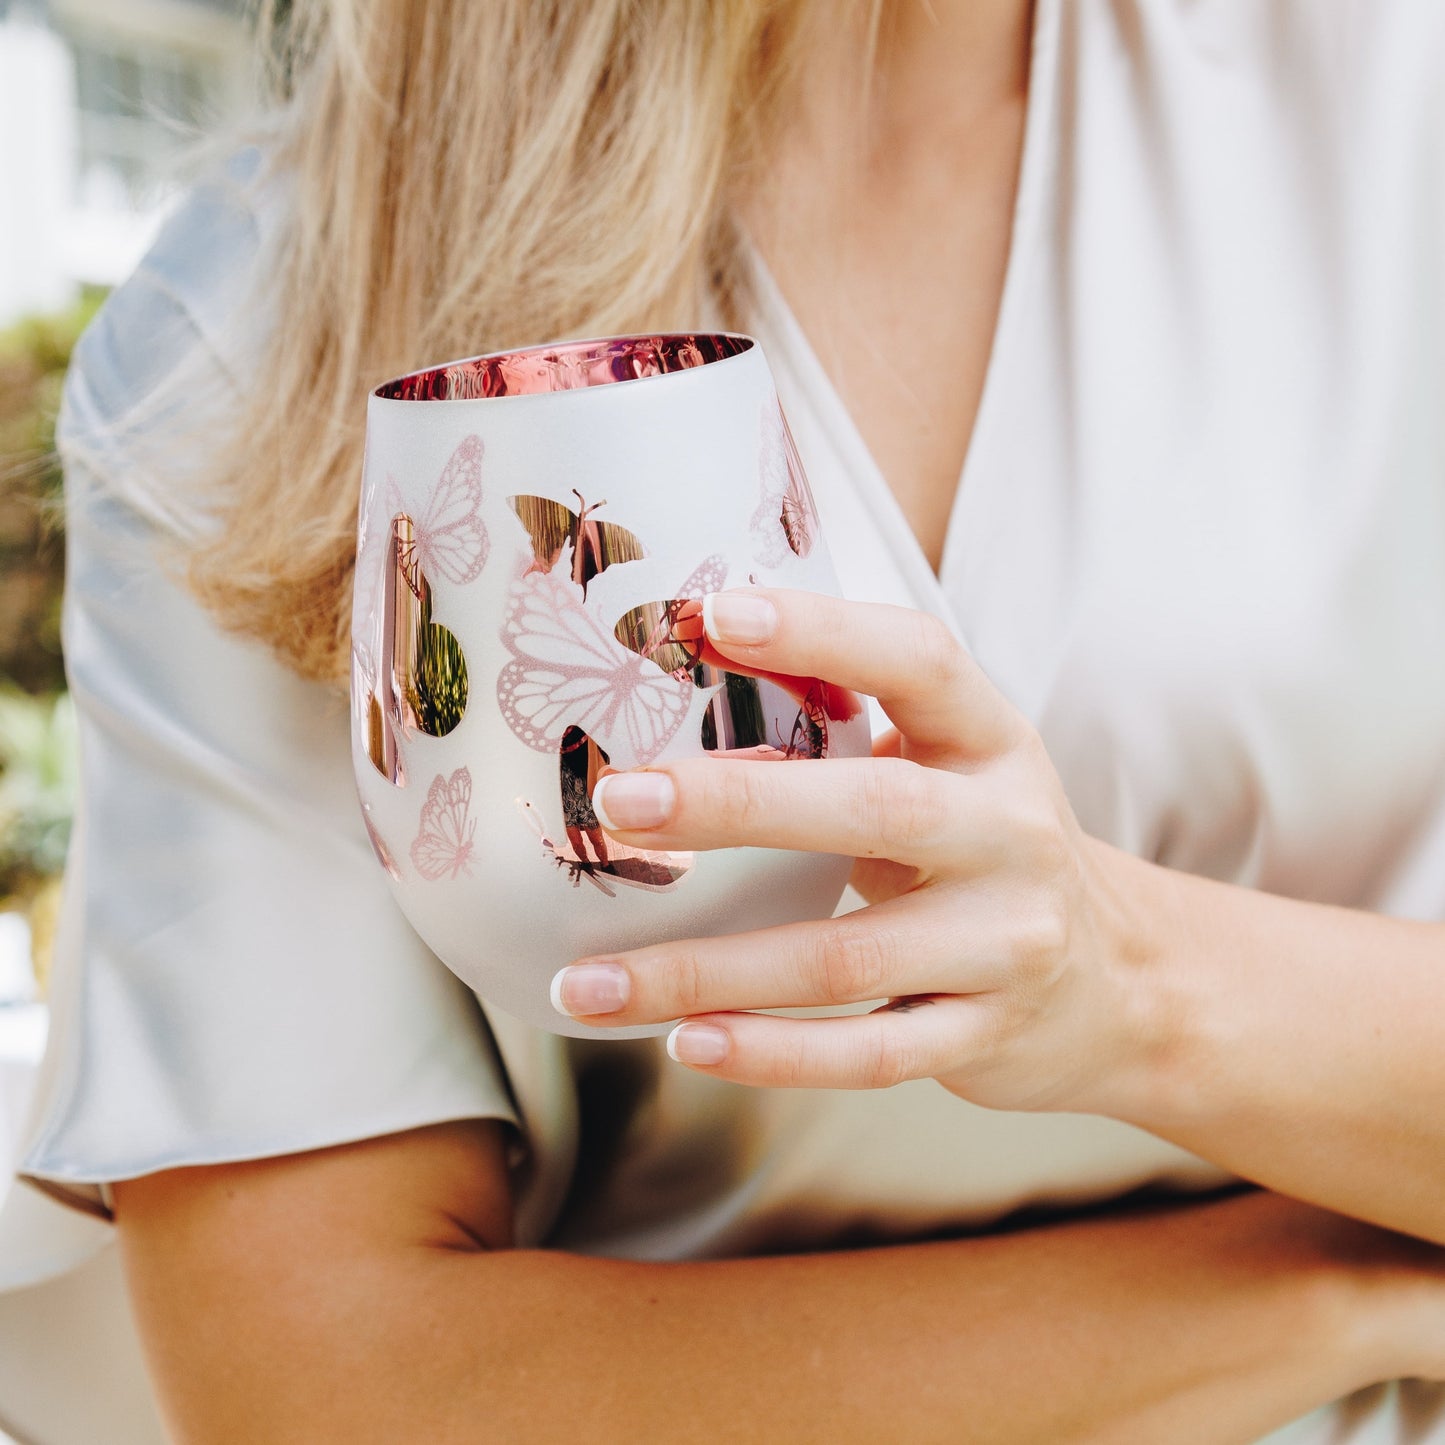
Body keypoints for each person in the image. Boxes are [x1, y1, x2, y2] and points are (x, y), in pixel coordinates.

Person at [2, 1, 1444, 1440]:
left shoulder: (1387, 104)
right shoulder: (260, 329)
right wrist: (1337, 1284)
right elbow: (330, 1389)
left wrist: (1122, 980)